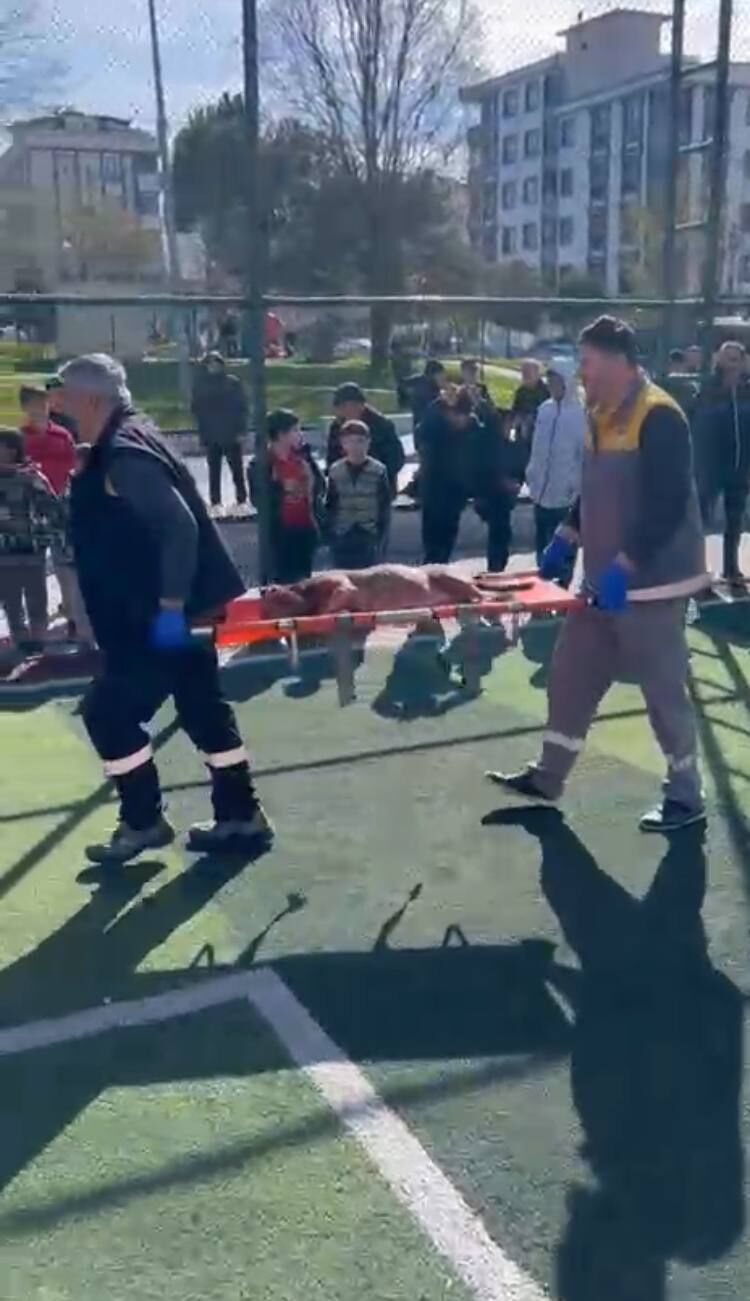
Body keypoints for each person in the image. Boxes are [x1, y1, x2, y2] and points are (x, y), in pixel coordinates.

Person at [489, 315, 708, 834]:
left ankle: (685, 795)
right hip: (602, 580)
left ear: (617, 360)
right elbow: (593, 490)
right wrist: (567, 535)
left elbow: (668, 504)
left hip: (654, 585)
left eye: (586, 362)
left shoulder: (659, 415)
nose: (580, 373)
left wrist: (623, 569)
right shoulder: (598, 413)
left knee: (662, 691)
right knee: (570, 672)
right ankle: (548, 777)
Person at [59, 353, 272, 866]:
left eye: (64, 395)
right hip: (175, 609)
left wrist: (171, 607)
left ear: (91, 400)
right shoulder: (133, 437)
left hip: (155, 617)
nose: (58, 405)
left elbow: (178, 526)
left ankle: (143, 820)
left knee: (108, 714)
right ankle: (241, 815)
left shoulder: (124, 454)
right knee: (202, 708)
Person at [0, 427, 62, 652]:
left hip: (31, 551)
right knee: (11, 602)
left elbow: (53, 509)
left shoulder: (31, 477)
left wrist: (43, 535)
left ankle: (39, 643)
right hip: (4, 553)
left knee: (36, 599)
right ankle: (20, 644)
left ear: (12, 450)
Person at [693, 340, 750, 581]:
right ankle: (697, 569)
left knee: (734, 520)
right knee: (702, 519)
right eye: (728, 358)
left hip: (740, 465)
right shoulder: (708, 389)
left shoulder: (747, 390)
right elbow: (698, 423)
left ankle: (731, 568)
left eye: (737, 358)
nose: (732, 364)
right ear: (719, 360)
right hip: (711, 467)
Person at [525, 358, 585, 583]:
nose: (552, 386)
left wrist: (575, 486)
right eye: (549, 381)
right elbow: (536, 447)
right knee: (542, 547)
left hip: (566, 495)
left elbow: (583, 456)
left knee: (564, 548)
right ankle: (542, 589)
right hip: (540, 491)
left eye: (556, 381)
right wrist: (531, 475)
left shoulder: (580, 414)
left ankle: (562, 591)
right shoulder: (544, 410)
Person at [248, 409, 324, 584]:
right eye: (295, 430)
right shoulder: (261, 464)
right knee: (284, 582)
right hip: (280, 532)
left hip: (305, 528)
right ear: (281, 435)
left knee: (305, 581)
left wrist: (309, 483)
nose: (300, 435)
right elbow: (257, 499)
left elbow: (320, 486)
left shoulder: (303, 458)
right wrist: (282, 489)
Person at [261, 563, 485, 618]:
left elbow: (345, 590)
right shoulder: (311, 601)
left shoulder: (319, 584)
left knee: (472, 591)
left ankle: (485, 597)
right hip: (411, 594)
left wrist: (323, 615)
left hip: (422, 579)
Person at [419, 389, 480, 565]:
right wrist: (440, 402)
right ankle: (431, 565)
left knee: (447, 539)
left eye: (463, 416)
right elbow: (422, 432)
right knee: (432, 540)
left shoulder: (473, 428)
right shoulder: (436, 427)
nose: (459, 420)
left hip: (455, 493)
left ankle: (440, 565)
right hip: (433, 490)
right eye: (455, 415)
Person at [190, 352, 249, 518]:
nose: (213, 367)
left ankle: (242, 500)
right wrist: (202, 434)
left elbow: (242, 408)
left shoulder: (232, 383)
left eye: (216, 363)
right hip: (212, 434)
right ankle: (215, 502)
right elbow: (197, 411)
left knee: (237, 469)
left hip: (231, 433)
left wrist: (241, 430)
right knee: (213, 471)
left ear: (222, 365)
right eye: (210, 364)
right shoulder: (201, 385)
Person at [326, 420, 391, 569]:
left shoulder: (379, 470)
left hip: (368, 532)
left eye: (360, 441)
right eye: (350, 441)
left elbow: (384, 506)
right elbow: (331, 503)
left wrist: (382, 539)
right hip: (343, 533)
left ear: (368, 442)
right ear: (343, 444)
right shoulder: (335, 470)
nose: (355, 446)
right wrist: (331, 533)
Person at [326, 382, 405, 501]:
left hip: (377, 489)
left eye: (351, 406)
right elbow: (331, 459)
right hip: (346, 490)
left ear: (361, 405)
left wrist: (374, 476)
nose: (347, 411)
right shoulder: (336, 427)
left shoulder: (382, 425)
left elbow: (396, 458)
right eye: (342, 407)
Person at [19, 384, 76, 495]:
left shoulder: (62, 435)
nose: (40, 407)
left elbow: (74, 467)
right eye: (34, 403)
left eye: (43, 402)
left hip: (60, 498)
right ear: (24, 407)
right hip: (31, 500)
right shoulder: (20, 438)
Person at [405, 360, 447, 440]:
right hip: (428, 432)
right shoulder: (427, 389)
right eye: (441, 375)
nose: (444, 377)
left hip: (422, 431)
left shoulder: (422, 384)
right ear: (433, 375)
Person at [45, 376, 80, 441]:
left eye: (62, 395)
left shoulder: (72, 421)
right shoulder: (40, 419)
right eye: (59, 394)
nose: (59, 399)